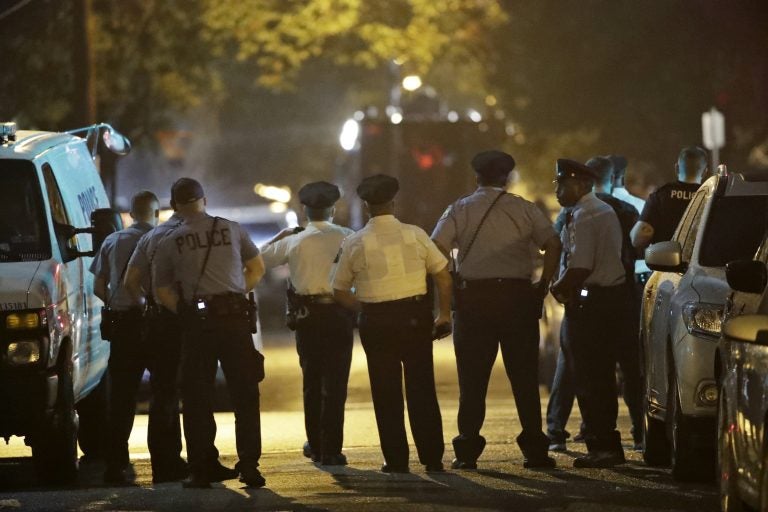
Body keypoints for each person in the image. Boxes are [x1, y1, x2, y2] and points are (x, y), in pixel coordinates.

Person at [431, 150, 561, 470]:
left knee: (472, 381)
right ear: (507, 178)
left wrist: (451, 278)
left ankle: (467, 451)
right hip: (518, 300)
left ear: (477, 177)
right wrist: (543, 282)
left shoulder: (459, 209)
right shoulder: (524, 209)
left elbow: (436, 246)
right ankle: (534, 448)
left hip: (474, 301)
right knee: (525, 378)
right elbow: (554, 243)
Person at [332, 174, 452, 474]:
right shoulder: (416, 234)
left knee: (385, 392)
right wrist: (445, 313)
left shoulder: (354, 242)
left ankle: (396, 460)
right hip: (414, 318)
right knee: (422, 388)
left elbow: (339, 290)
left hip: (377, 321)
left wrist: (365, 308)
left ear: (367, 206)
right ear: (393, 203)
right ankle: (432, 457)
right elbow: (442, 275)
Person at [153, 178, 267, 488]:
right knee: (245, 394)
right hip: (234, 322)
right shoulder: (231, 229)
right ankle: (249, 465)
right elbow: (257, 268)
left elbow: (161, 289)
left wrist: (185, 311)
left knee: (196, 398)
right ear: (204, 199)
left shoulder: (169, 241)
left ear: (175, 206)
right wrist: (234, 293)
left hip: (197, 326)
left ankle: (201, 468)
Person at [546, 156, 643, 453]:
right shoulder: (588, 211)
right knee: (596, 377)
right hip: (604, 302)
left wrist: (556, 288)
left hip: (594, 305)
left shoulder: (589, 214)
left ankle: (602, 446)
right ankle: (604, 443)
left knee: (592, 379)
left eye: (564, 184)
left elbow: (580, 266)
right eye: (558, 184)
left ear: (584, 184)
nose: (558, 191)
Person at [260, 181, 355, 466]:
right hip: (339, 314)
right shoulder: (349, 237)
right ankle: (332, 449)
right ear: (333, 209)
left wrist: (281, 234)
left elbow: (259, 259)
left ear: (305, 210)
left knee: (312, 381)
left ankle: (315, 444)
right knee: (336, 382)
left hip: (307, 317)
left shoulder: (294, 239)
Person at [90, 190, 170, 484]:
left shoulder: (113, 240)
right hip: (157, 324)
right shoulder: (164, 238)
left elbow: (98, 285)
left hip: (123, 326)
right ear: (156, 213)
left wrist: (116, 301)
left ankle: (115, 466)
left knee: (121, 398)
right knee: (164, 394)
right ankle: (165, 462)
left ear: (131, 215)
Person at [630, 146, 707, 250]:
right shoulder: (711, 198)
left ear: (677, 168)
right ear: (704, 172)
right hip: (701, 265)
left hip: (665, 264)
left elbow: (637, 239)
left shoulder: (660, 196)